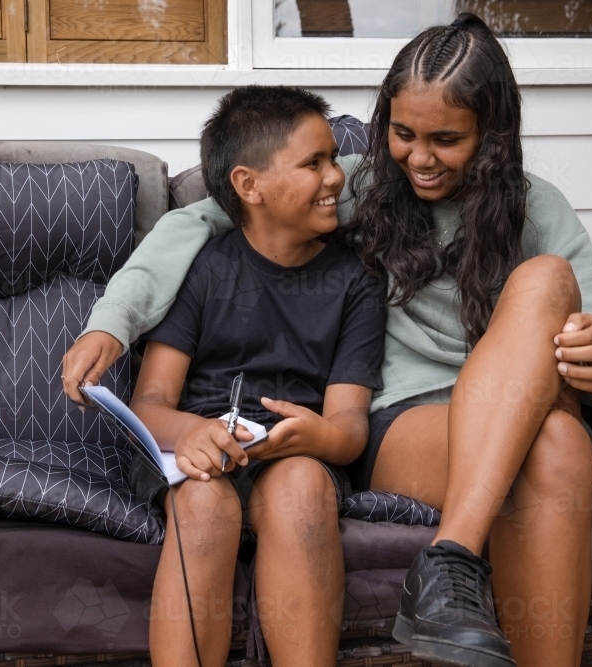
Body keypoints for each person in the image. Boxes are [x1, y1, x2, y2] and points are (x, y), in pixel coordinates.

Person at [63, 13, 592, 667]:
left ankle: (447, 562)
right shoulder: (365, 188)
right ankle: (448, 567)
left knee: (549, 295)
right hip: (413, 429)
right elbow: (207, 216)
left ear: (492, 136)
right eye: (402, 133)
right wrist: (112, 319)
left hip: (525, 411)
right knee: (560, 441)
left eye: (446, 139)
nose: (419, 158)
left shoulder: (540, 210)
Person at [126, 86, 387, 667]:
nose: (335, 177)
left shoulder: (356, 281)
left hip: (291, 453)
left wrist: (322, 438)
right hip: (197, 452)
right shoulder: (204, 266)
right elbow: (148, 403)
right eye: (312, 162)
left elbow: (349, 424)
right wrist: (191, 432)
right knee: (204, 504)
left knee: (303, 488)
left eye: (334, 158)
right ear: (250, 186)